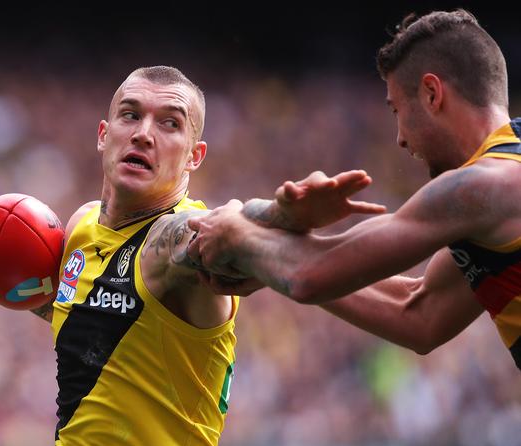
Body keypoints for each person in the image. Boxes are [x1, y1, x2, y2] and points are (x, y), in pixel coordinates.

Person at [0, 66, 238, 446]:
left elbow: (238, 232)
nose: (143, 133)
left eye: (170, 123)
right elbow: (85, 313)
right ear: (104, 134)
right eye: (130, 115)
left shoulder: (186, 237)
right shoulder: (82, 228)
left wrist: (279, 218)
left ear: (195, 155)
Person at [187, 9, 521, 370]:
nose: (399, 139)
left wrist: (237, 233)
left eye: (396, 110)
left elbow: (308, 277)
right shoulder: (498, 190)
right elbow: (420, 312)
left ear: (431, 93)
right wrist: (273, 263)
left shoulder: (480, 187)